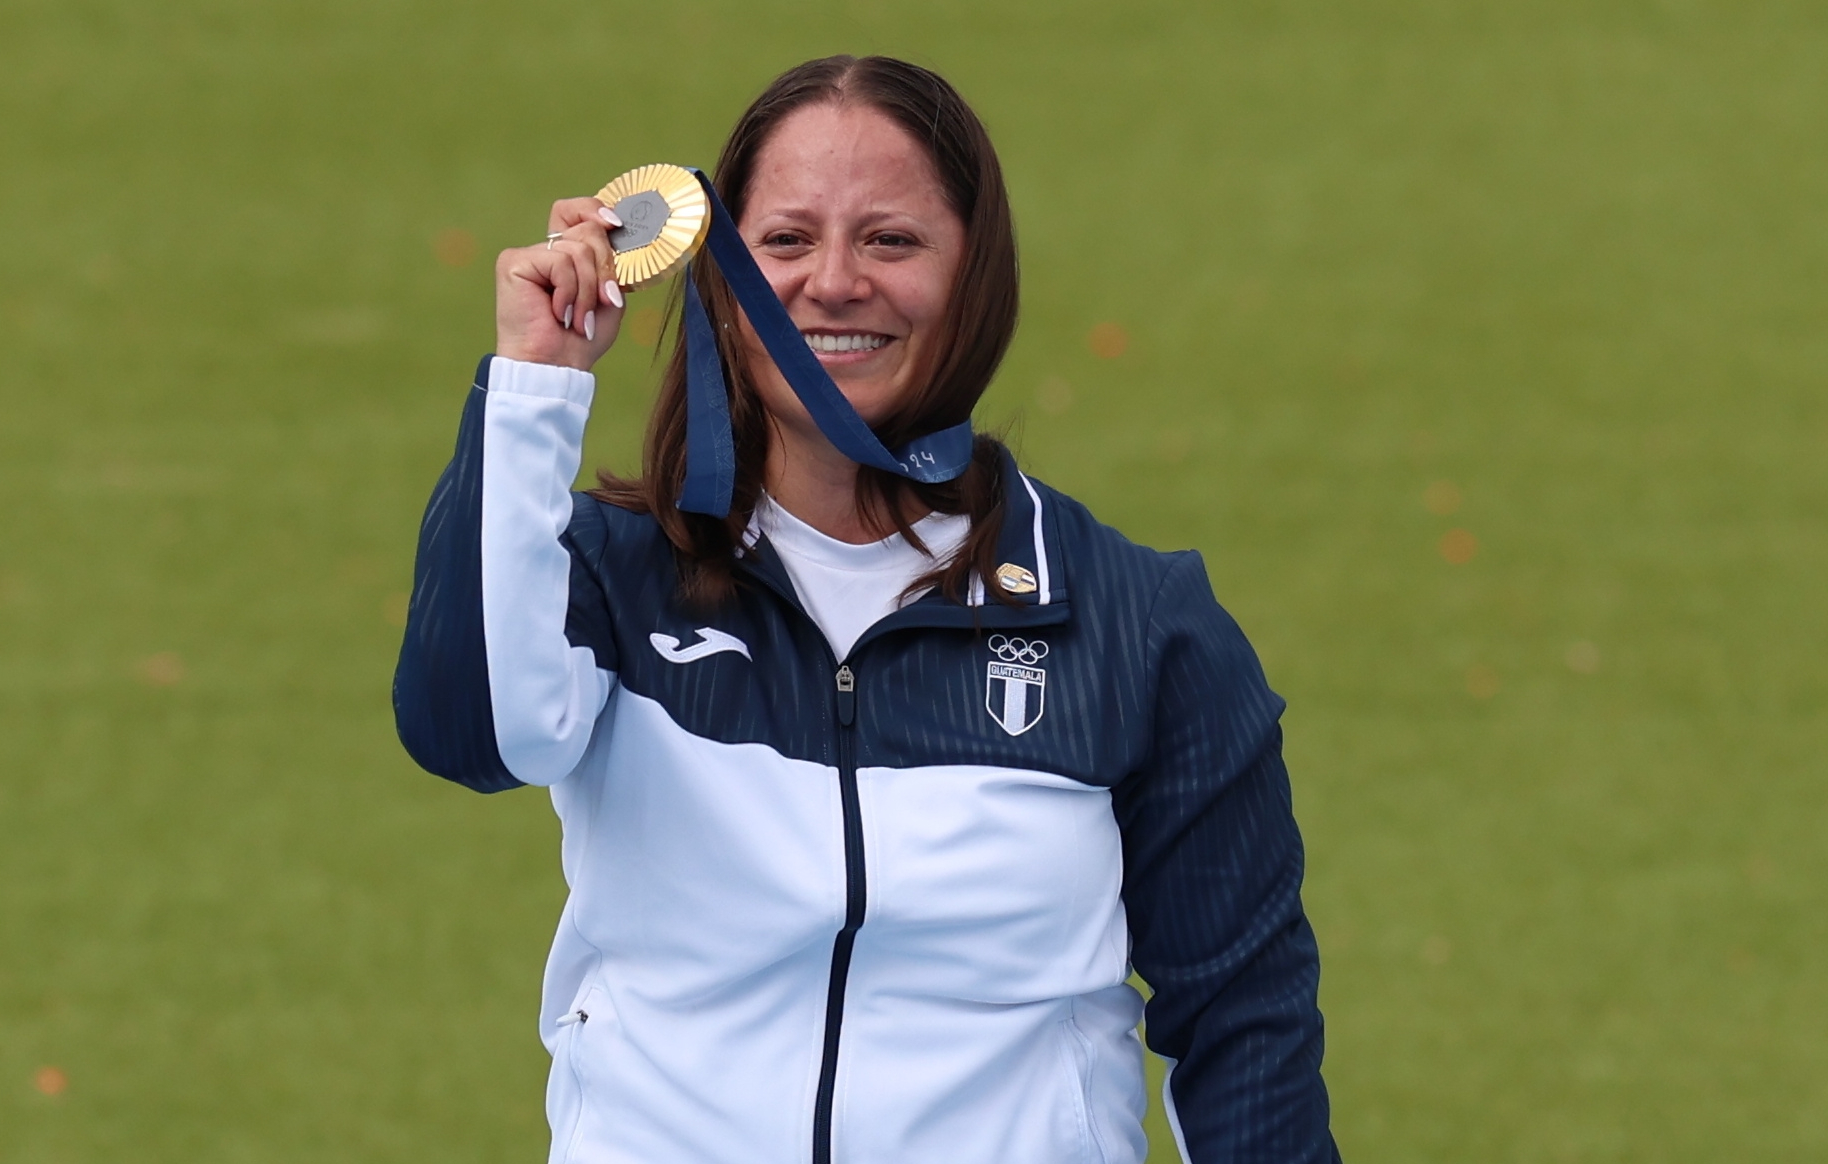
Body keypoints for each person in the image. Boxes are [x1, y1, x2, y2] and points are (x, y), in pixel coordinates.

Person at [394, 54, 1338, 1164]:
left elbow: (1245, 1022)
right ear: (722, 281)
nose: (835, 283)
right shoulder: (615, 574)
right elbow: (471, 734)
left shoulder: (1134, 623)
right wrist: (536, 381)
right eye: (785, 241)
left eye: (891, 241)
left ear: (974, 276)